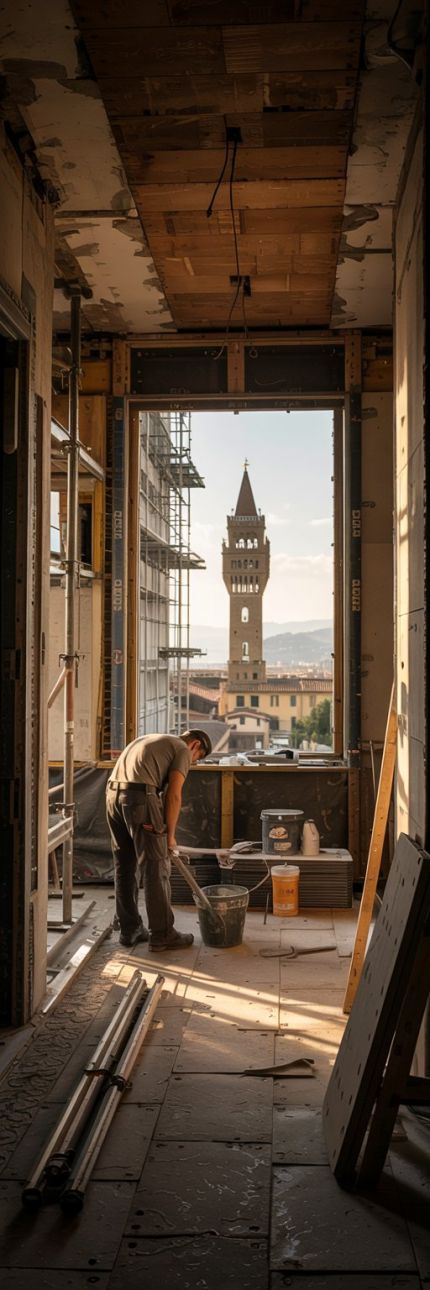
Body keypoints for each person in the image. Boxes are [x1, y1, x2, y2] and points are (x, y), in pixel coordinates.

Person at [106, 729, 212, 951]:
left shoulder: (153, 740)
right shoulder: (182, 749)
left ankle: (130, 929)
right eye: (197, 759)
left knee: (124, 866)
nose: (192, 763)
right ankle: (163, 934)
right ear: (195, 746)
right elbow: (174, 794)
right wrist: (170, 837)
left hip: (112, 795)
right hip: (138, 798)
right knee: (156, 865)